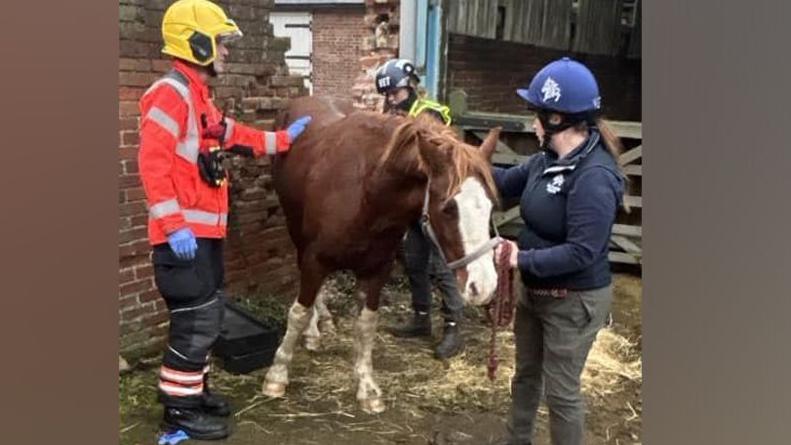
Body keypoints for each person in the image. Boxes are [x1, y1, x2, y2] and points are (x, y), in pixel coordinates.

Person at [138, 0, 311, 439]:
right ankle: (178, 412)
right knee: (194, 324)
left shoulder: (198, 97)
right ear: (196, 44)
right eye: (220, 43)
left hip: (203, 237)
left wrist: (282, 141)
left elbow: (231, 135)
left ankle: (193, 394)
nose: (226, 52)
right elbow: (152, 165)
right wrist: (174, 225)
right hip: (182, 238)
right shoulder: (169, 94)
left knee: (208, 319)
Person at [492, 57, 625, 445]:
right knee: (525, 375)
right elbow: (501, 182)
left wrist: (520, 258)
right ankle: (517, 440)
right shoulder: (544, 162)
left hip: (574, 301)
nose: (531, 122)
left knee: (561, 394)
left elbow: (582, 252)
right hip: (534, 293)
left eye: (536, 114)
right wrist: (462, 159)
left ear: (557, 119)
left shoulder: (595, 177)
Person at [373, 58, 464, 359]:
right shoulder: (391, 116)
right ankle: (421, 319)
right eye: (386, 96)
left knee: (442, 267)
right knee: (414, 261)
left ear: (410, 87)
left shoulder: (429, 114)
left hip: (434, 205)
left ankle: (453, 327)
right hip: (411, 206)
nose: (390, 101)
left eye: (395, 94)